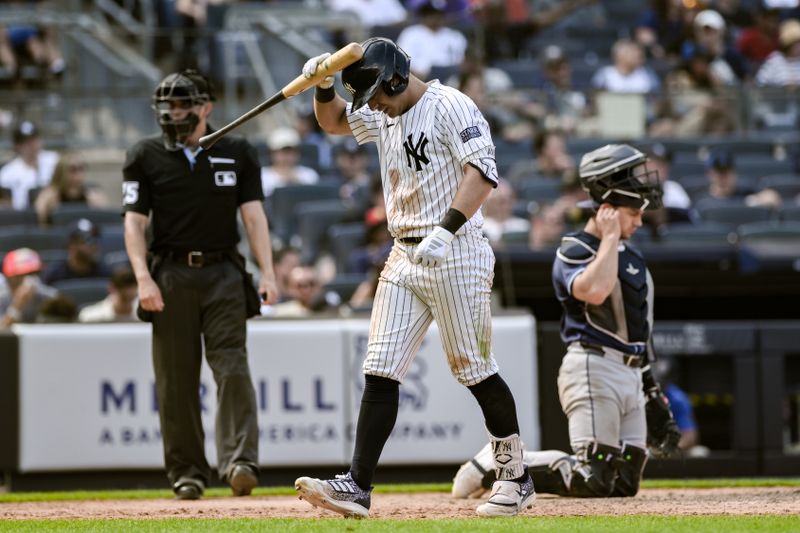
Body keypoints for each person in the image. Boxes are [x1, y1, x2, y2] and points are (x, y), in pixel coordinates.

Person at [294, 37, 535, 518]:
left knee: (474, 368)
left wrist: (446, 231)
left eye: (378, 94)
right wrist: (322, 88)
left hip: (455, 248)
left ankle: (515, 477)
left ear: (397, 78)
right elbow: (335, 121)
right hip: (404, 253)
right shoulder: (384, 111)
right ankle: (357, 486)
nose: (374, 106)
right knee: (380, 368)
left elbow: (482, 173)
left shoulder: (450, 106)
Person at [452, 144, 681, 500]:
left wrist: (651, 388)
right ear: (607, 209)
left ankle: (508, 467)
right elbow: (594, 291)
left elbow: (642, 330)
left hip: (630, 374)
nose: (639, 220)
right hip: (594, 367)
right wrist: (607, 237)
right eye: (632, 212)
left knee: (623, 483)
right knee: (593, 476)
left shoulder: (631, 254)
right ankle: (498, 465)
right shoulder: (574, 249)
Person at [122, 69, 279, 501]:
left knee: (233, 367)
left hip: (224, 273)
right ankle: (187, 472)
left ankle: (239, 462)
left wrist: (267, 272)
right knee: (175, 378)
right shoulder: (143, 155)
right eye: (168, 105)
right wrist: (143, 279)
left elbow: (253, 216)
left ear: (206, 108)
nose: (174, 113)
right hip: (169, 275)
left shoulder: (239, 151)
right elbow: (134, 224)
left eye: (183, 104)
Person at [34, 152, 109, 226]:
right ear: (61, 172)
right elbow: (40, 225)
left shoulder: (92, 195)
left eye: (81, 169)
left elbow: (104, 224)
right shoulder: (49, 195)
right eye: (73, 170)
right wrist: (47, 209)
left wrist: (97, 208)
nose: (79, 174)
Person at [0, 120, 58, 210]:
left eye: (34, 139)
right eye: (26, 141)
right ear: (17, 146)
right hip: (22, 217)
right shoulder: (7, 173)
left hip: (53, 213)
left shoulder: (55, 161)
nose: (32, 144)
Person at [41, 218, 112, 286]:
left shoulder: (105, 274)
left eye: (95, 239)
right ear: (71, 245)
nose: (94, 244)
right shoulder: (54, 275)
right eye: (88, 240)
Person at [0, 247, 58, 328]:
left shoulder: (49, 296)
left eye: (34, 273)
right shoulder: (2, 297)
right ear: (10, 278)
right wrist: (17, 306)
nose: (30, 280)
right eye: (23, 275)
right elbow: (2, 330)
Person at [259, 127, 320, 197]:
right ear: (272, 153)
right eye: (283, 152)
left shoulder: (309, 174)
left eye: (291, 152)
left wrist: (295, 182)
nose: (287, 157)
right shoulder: (262, 176)